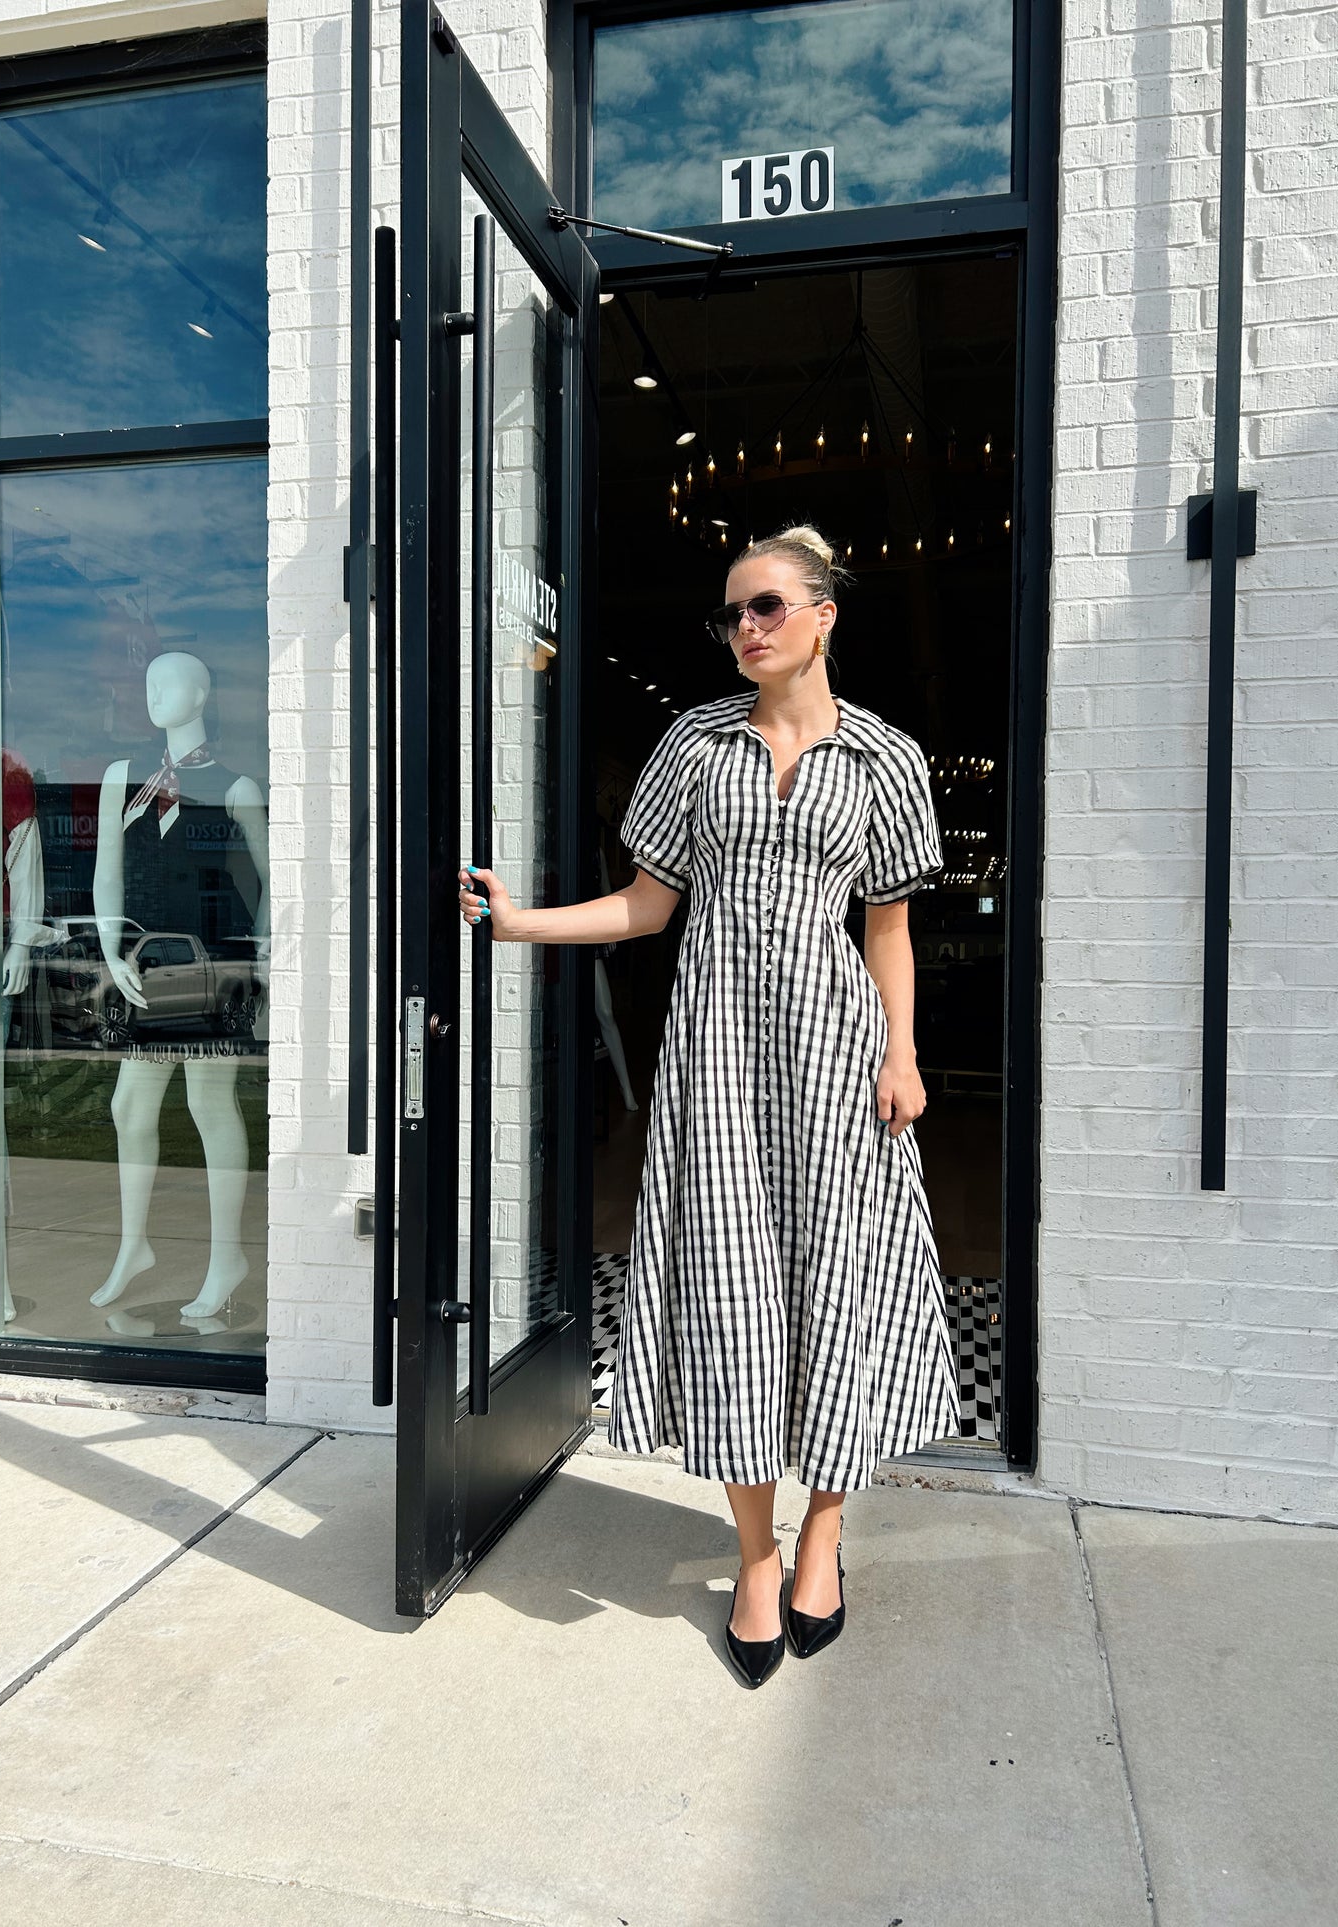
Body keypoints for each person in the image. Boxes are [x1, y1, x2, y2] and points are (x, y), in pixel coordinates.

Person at [457, 524, 959, 1688]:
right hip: (718, 1062)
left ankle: (823, 1538)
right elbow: (644, 905)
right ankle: (752, 1551)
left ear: (824, 612)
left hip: (838, 1062)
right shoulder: (692, 745)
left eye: (767, 606)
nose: (746, 628)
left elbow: (886, 930)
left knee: (837, 1291)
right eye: (732, 612)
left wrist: (903, 1054)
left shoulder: (885, 760)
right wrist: (519, 922)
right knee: (732, 1296)